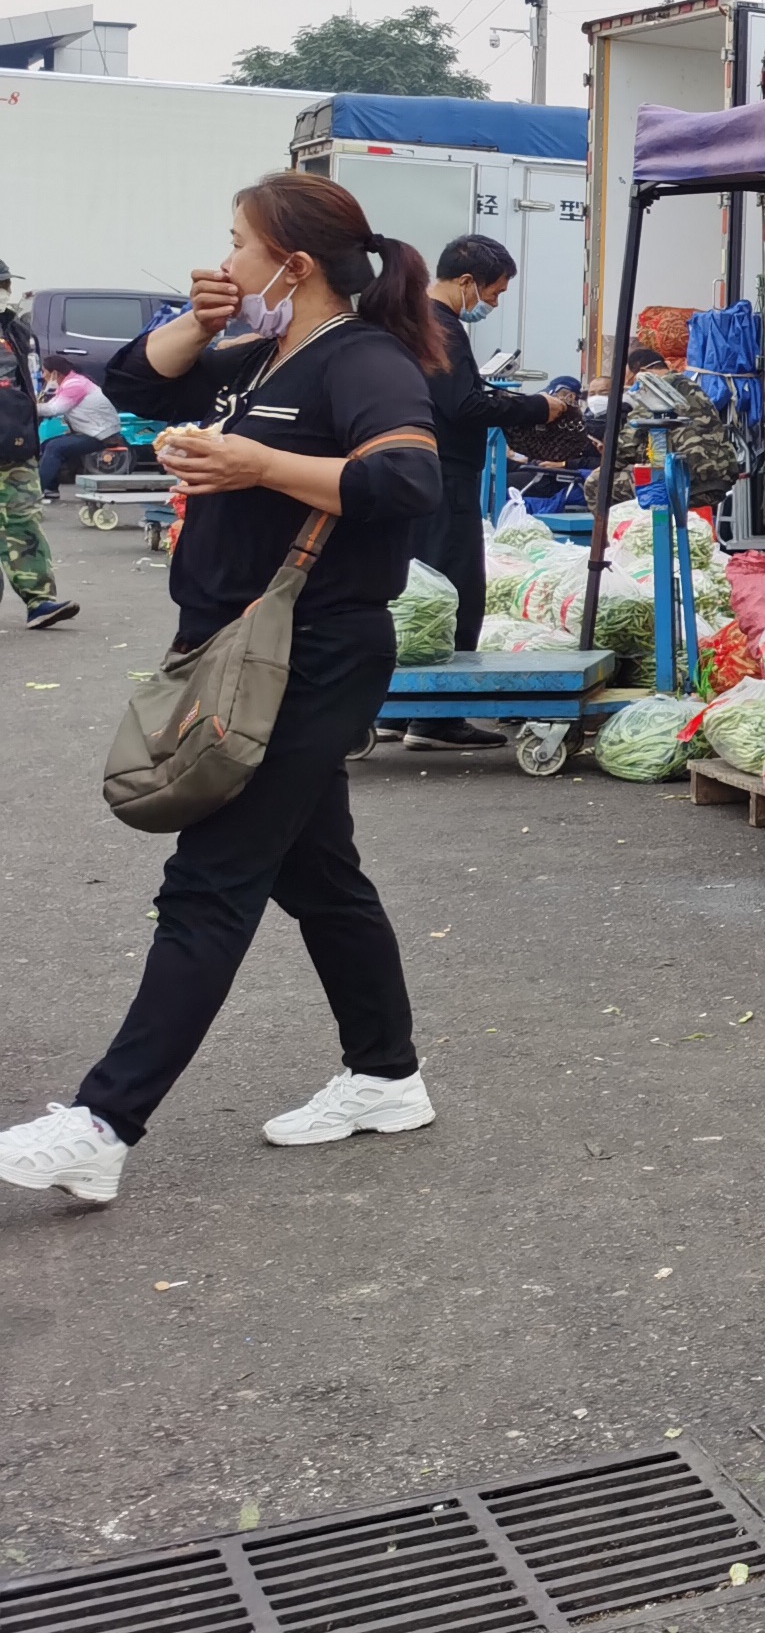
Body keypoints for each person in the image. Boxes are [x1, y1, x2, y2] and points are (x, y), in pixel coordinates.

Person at [0, 173, 445, 1206]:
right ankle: (386, 1073)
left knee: (212, 880)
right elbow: (140, 387)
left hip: (310, 651)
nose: (224, 260)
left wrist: (259, 465)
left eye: (238, 245)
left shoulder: (361, 360)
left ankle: (104, 1123)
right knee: (318, 875)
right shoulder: (260, 354)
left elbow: (406, 479)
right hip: (235, 642)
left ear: (293, 265)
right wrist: (195, 326)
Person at [393, 235, 577, 748]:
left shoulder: (412, 320)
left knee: (417, 589)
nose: (492, 304)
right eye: (493, 294)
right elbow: (466, 406)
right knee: (457, 590)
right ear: (467, 282)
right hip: (445, 473)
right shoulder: (442, 326)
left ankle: (396, 712)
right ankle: (436, 719)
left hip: (416, 469)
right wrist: (537, 408)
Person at [0, 288, 75, 630]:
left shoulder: (16, 330)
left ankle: (39, 601)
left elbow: (23, 387)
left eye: (4, 286)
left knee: (23, 520)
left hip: (16, 444)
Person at [38, 365, 127, 492]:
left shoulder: (74, 385)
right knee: (47, 445)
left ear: (55, 373)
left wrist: (31, 407)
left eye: (44, 371)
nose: (42, 375)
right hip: (93, 430)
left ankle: (37, 491)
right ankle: (51, 490)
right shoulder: (75, 382)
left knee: (54, 447)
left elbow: (55, 409)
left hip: (100, 434)